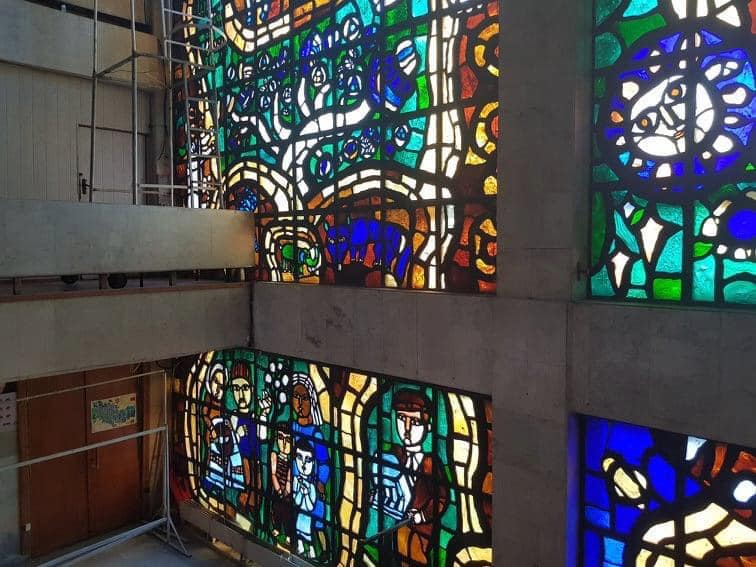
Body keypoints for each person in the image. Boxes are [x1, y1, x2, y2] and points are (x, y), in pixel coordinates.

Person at [371, 389, 449, 566]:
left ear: (428, 427)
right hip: (391, 525)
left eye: (414, 422)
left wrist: (423, 515)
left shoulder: (430, 464)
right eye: (401, 418)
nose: (406, 429)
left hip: (418, 532)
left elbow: (442, 498)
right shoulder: (393, 455)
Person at [293, 438, 320, 559]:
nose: (303, 463)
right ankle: (300, 547)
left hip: (307, 517)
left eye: (308, 459)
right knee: (298, 532)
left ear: (313, 463)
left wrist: (307, 493)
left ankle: (312, 552)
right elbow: (296, 501)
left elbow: (310, 507)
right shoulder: (295, 480)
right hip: (300, 514)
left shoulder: (312, 487)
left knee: (308, 535)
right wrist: (300, 492)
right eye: (299, 457)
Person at [270, 425, 293, 543]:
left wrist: (286, 493)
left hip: (288, 492)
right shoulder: (274, 456)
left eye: (288, 439)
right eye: (280, 437)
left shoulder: (292, 461)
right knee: (276, 509)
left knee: (288, 513)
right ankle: (277, 528)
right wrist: (279, 490)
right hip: (277, 489)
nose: (284, 443)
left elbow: (289, 478)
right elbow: (273, 474)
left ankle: (288, 534)